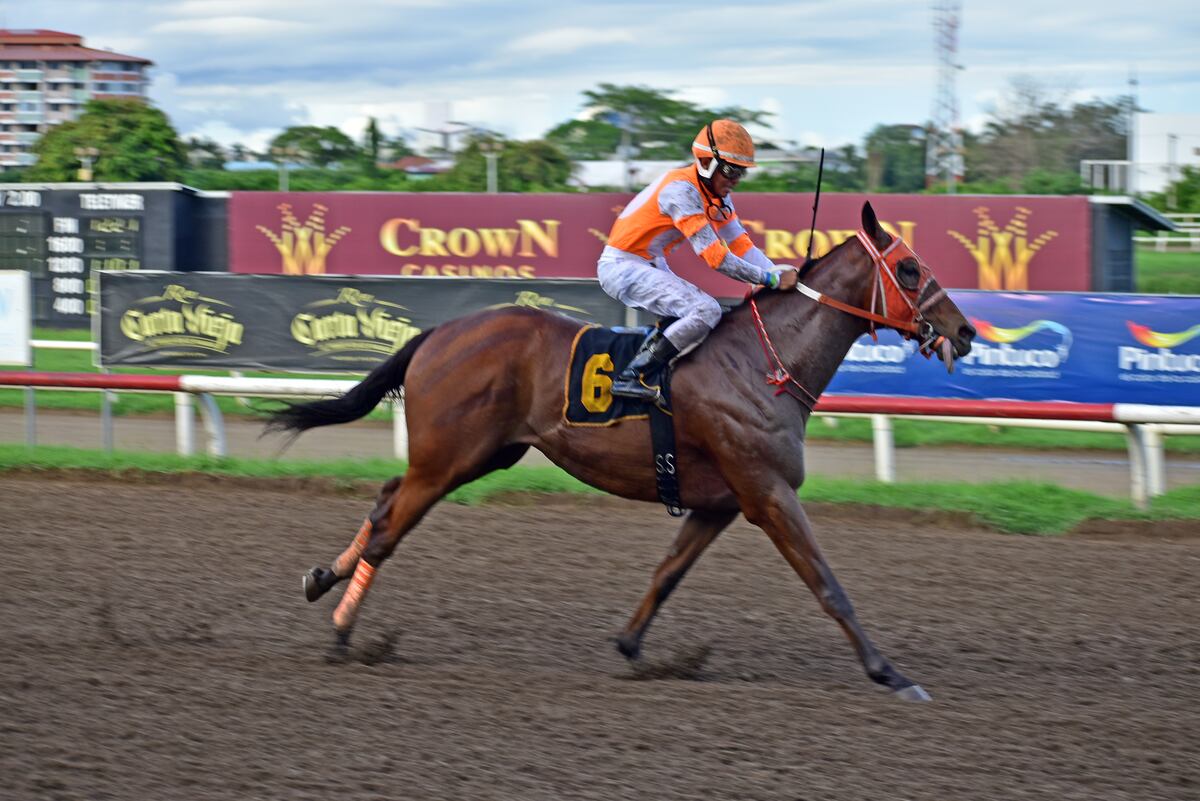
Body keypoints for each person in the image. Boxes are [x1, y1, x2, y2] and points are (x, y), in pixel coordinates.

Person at [597, 119, 800, 401]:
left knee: (704, 316)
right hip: (622, 267)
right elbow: (717, 258)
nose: (735, 180)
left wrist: (783, 273)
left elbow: (742, 245)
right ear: (707, 162)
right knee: (706, 310)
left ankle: (665, 377)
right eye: (730, 171)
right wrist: (772, 280)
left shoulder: (719, 197)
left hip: (648, 262)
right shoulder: (681, 191)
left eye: (741, 173)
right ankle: (632, 376)